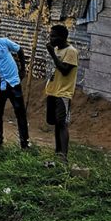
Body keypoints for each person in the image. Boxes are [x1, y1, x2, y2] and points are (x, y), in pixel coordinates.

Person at [44, 24, 78, 163]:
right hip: (52, 90)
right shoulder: (58, 49)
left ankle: (63, 156)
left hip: (63, 92)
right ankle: (58, 153)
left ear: (62, 37)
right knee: (54, 122)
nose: (50, 38)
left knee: (62, 123)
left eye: (53, 36)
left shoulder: (71, 52)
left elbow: (65, 70)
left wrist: (52, 53)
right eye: (50, 35)